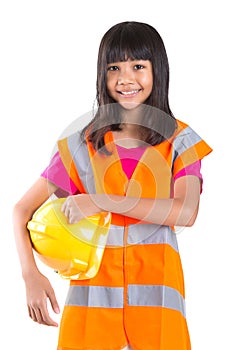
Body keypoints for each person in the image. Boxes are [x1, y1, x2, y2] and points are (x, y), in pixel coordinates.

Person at [13, 21, 212, 350]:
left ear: (157, 71)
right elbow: (22, 210)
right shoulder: (81, 144)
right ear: (102, 75)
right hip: (91, 305)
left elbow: (186, 212)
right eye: (114, 67)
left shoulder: (180, 141)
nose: (126, 78)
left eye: (138, 66)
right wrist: (30, 276)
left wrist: (102, 201)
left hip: (158, 307)